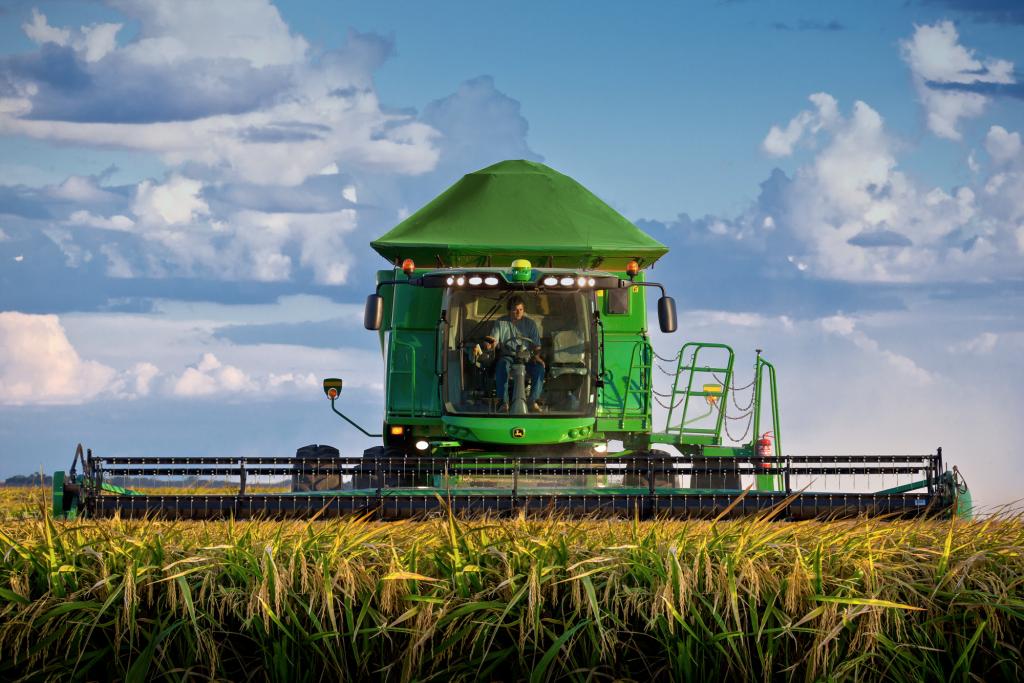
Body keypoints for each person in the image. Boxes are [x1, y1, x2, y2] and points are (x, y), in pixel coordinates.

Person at [482, 295, 545, 411]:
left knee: (539, 368)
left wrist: (537, 356)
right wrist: (489, 344)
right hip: (508, 356)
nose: (518, 312)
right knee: (502, 366)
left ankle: (533, 401)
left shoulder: (530, 323)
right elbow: (494, 340)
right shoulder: (500, 323)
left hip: (526, 357)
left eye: (521, 310)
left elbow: (537, 345)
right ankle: (503, 403)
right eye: (515, 310)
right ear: (509, 310)